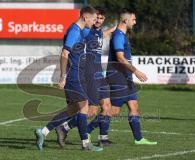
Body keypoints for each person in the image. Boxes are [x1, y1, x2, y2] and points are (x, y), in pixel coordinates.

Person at [34, 5, 103, 151]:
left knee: (72, 109)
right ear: (85, 17)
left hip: (79, 75)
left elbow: (92, 33)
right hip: (72, 75)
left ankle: (43, 132)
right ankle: (86, 144)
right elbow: (64, 54)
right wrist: (63, 77)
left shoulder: (82, 30)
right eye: (93, 19)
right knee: (84, 106)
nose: (95, 21)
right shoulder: (74, 31)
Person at [55, 6, 116, 147]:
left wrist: (115, 28)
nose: (98, 20)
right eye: (96, 18)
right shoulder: (86, 31)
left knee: (107, 106)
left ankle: (102, 138)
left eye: (101, 18)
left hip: (99, 73)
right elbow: (69, 48)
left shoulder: (99, 32)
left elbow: (103, 33)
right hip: (89, 73)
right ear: (90, 18)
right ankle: (65, 128)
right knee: (90, 110)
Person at [107, 8, 157, 145]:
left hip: (127, 78)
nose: (135, 22)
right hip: (118, 78)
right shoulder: (118, 36)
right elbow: (120, 58)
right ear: (125, 20)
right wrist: (136, 71)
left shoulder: (123, 36)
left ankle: (139, 139)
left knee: (134, 107)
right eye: (133, 19)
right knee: (111, 111)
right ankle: (73, 128)